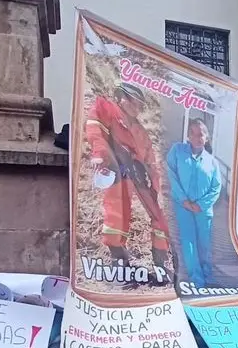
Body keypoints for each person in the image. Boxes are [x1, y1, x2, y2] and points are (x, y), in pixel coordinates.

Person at [86, 83, 172, 284]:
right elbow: (94, 130)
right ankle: (119, 265)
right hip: (118, 169)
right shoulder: (105, 107)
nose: (136, 107)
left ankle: (160, 264)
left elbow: (150, 161)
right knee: (118, 214)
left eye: (139, 104)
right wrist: (100, 155)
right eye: (132, 101)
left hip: (139, 174)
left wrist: (155, 187)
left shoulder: (141, 130)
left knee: (159, 216)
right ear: (120, 97)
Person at [167, 118, 222, 287]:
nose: (198, 138)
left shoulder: (212, 161)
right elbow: (171, 174)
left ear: (207, 138)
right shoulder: (177, 151)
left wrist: (201, 205)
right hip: (182, 206)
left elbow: (216, 186)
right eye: (194, 134)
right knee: (188, 242)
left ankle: (208, 277)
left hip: (203, 210)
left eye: (202, 134)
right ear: (188, 136)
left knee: (205, 245)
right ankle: (197, 281)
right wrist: (184, 200)